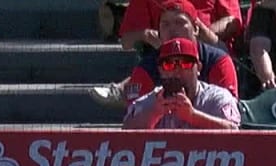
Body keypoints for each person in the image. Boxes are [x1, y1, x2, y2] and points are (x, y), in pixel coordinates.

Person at [91, 0, 241, 106]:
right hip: (161, 50)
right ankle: (126, 88)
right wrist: (146, 34)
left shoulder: (218, 60)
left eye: (178, 23)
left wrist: (201, 32)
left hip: (210, 42)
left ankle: (123, 88)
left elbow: (234, 21)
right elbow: (126, 41)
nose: (173, 28)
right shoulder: (147, 67)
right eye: (167, 24)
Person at [123, 37, 240, 129]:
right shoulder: (150, 102)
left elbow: (234, 131)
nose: (177, 71)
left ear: (198, 68)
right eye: (169, 65)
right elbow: (125, 133)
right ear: (161, 71)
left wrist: (193, 116)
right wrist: (155, 112)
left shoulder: (217, 98)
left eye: (186, 64)